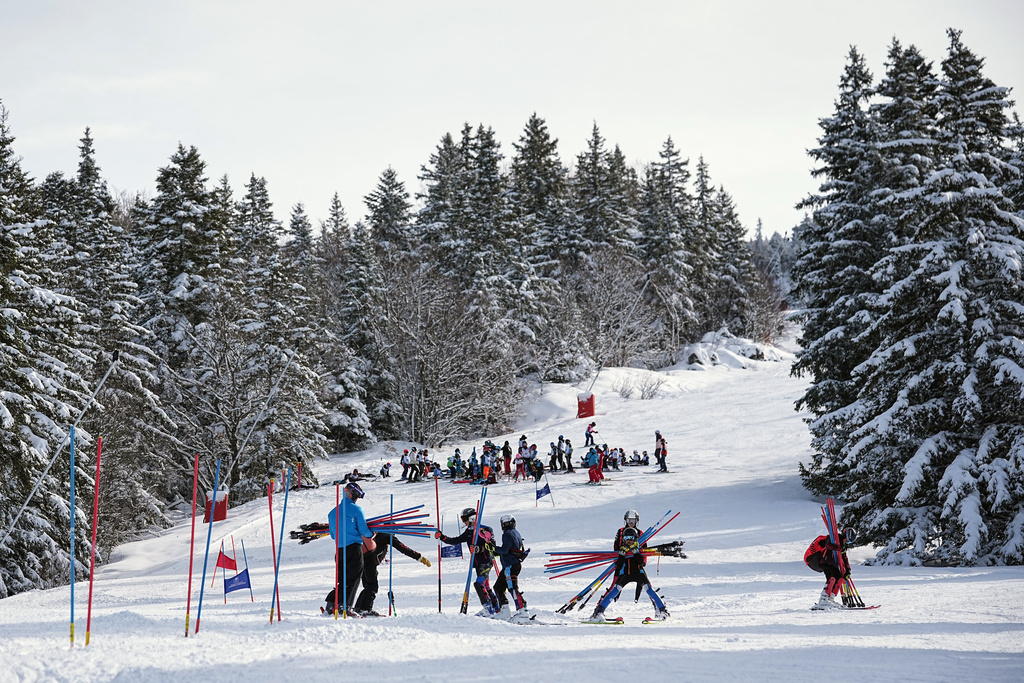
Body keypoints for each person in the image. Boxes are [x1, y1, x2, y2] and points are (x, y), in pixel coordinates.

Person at [590, 510, 669, 622]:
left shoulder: (641, 534)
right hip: (624, 571)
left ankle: (662, 610)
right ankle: (599, 611)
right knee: (615, 589)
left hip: (638, 571)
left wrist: (636, 553)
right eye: (629, 520)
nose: (629, 541)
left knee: (649, 588)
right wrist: (621, 555)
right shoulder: (621, 532)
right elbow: (616, 554)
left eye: (633, 521)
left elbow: (643, 555)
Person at [435, 507, 500, 616]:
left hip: (486, 560)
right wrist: (442, 537)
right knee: (486, 586)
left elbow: (492, 545)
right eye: (462, 519)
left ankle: (488, 608)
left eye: (465, 519)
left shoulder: (485, 529)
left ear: (472, 518)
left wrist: (479, 549)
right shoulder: (468, 532)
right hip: (477, 563)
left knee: (479, 584)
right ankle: (496, 608)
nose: (464, 522)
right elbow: (456, 540)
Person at [324, 482, 374, 616]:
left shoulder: (332, 512)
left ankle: (333, 604)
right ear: (354, 495)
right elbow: (364, 530)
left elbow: (333, 535)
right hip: (354, 548)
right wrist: (371, 534)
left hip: (340, 550)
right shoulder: (357, 510)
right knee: (354, 577)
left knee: (342, 579)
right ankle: (346, 606)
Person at [354, 531, 432, 616]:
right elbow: (402, 548)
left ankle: (359, 608)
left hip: (362, 561)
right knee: (372, 586)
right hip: (370, 563)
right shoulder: (388, 535)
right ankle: (365, 609)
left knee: (368, 586)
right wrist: (419, 557)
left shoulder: (378, 533)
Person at [805, 528, 853, 609]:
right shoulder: (834, 537)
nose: (847, 543)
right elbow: (828, 545)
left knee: (839, 577)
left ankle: (829, 598)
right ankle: (823, 599)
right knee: (831, 577)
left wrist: (848, 570)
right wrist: (839, 548)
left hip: (827, 562)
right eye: (848, 541)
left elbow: (844, 557)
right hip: (816, 559)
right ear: (846, 537)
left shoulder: (841, 545)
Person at [493, 514, 529, 618]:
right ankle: (505, 611)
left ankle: (523, 611)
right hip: (511, 564)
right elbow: (509, 549)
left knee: (512, 587)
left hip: (510, 565)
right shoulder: (515, 532)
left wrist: (494, 549)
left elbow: (505, 550)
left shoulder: (507, 534)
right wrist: (497, 551)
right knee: (498, 587)